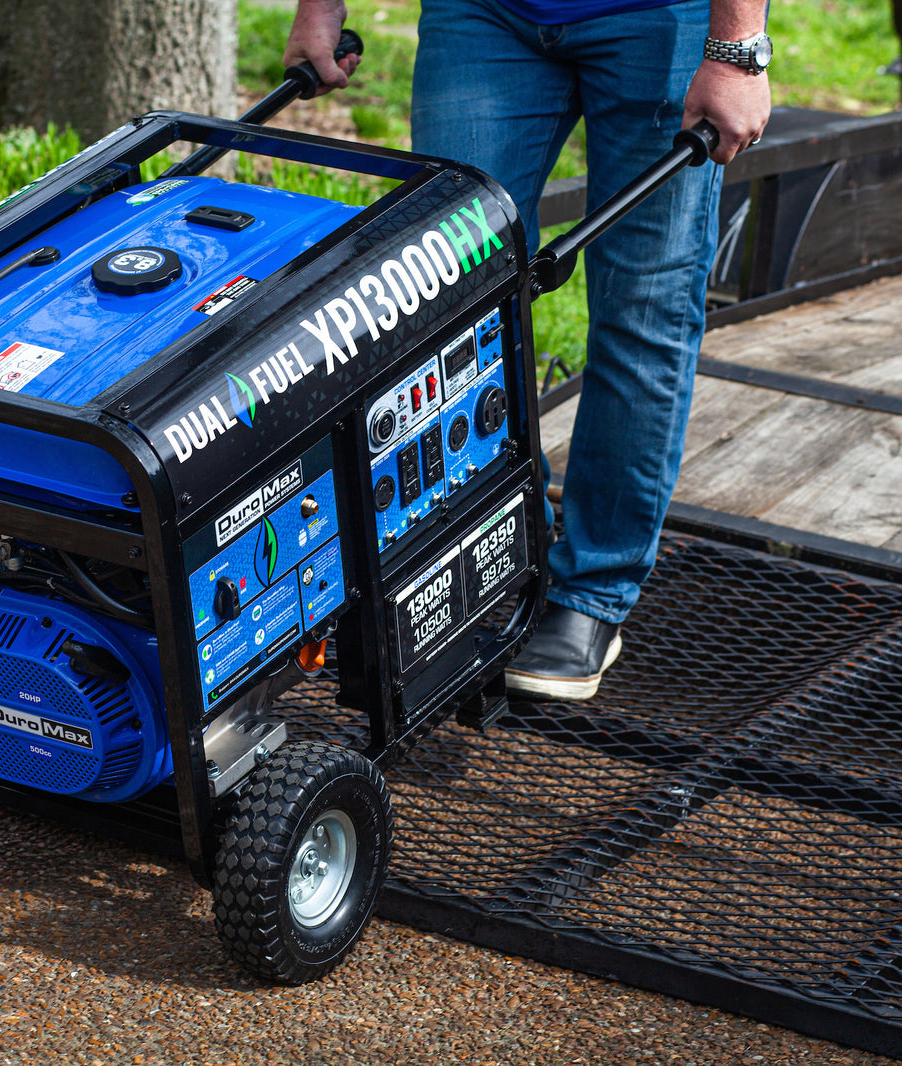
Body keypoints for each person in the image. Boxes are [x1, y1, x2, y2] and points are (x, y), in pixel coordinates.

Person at [285, 0, 771, 700]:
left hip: (660, 18)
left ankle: (592, 592)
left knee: (642, 310)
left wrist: (736, 50)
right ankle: (505, 552)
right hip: (486, 15)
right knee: (451, 295)